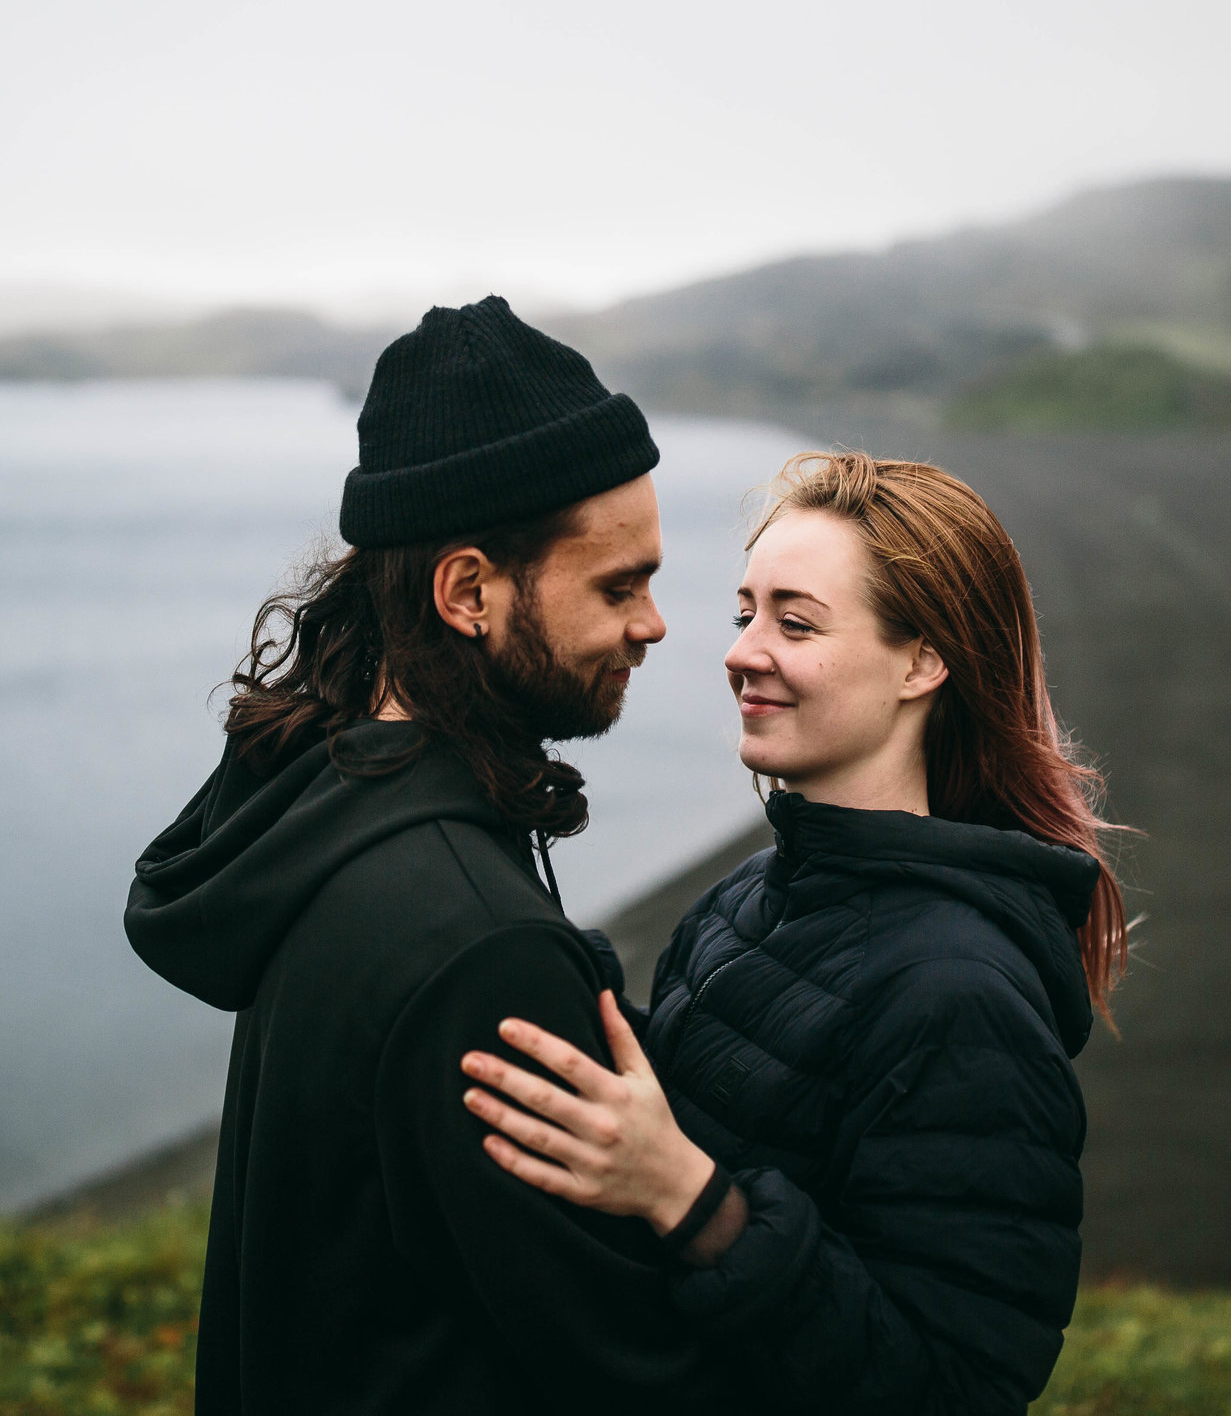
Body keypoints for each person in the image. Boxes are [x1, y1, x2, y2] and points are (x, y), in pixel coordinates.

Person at [123, 297, 728, 1414]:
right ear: (466, 591)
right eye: (616, 584)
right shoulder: (480, 948)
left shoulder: (321, 814)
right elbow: (623, 1372)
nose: (653, 624)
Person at [460, 450, 1127, 1416]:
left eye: (796, 621)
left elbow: (959, 1386)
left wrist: (693, 1202)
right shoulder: (753, 892)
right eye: (746, 612)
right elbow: (714, 1093)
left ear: (923, 661)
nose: (740, 650)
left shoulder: (961, 991)